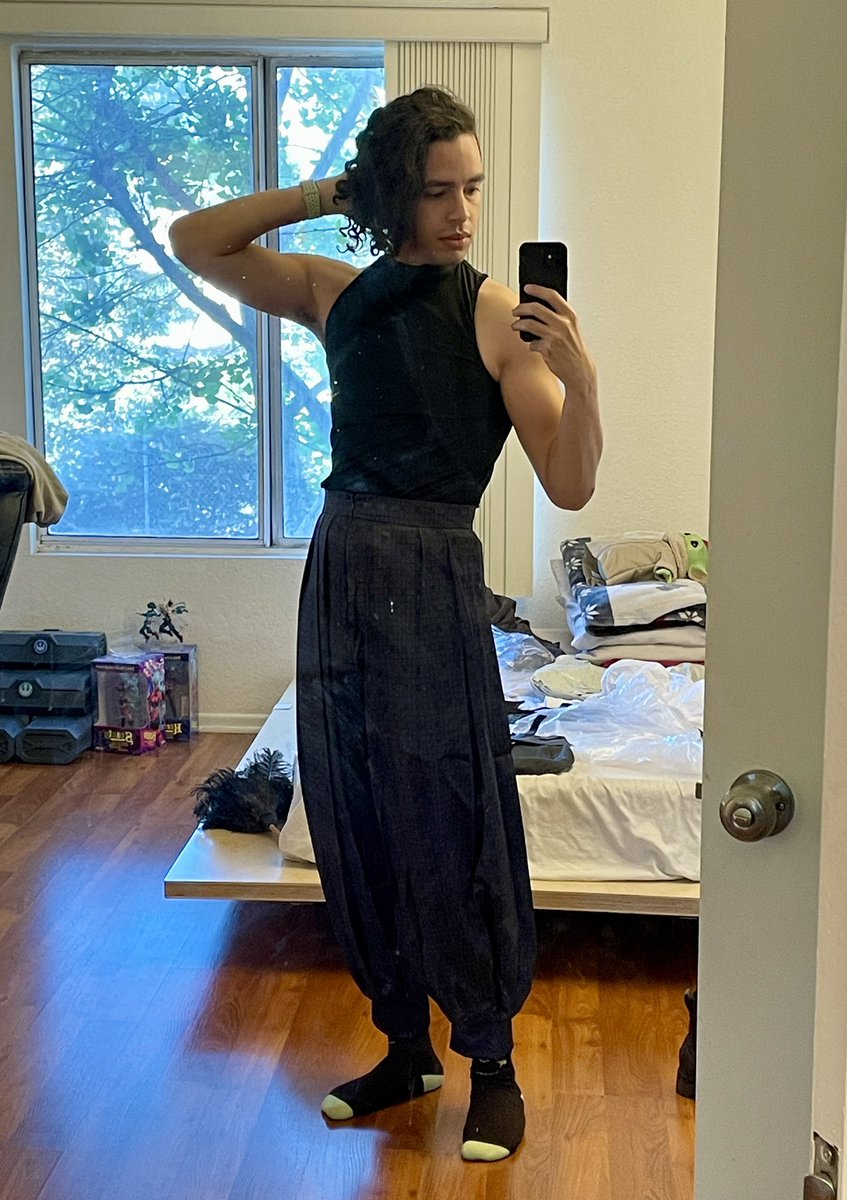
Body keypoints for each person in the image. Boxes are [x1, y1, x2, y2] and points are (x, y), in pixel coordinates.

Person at [169, 85, 602, 1163]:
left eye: (472, 189)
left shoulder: (496, 314)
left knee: (451, 817)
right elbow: (196, 239)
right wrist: (338, 190)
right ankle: (406, 1049)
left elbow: (570, 482)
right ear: (392, 193)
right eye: (435, 190)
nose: (461, 212)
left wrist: (582, 379)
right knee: (353, 810)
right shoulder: (337, 294)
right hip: (341, 569)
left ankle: (490, 1065)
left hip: (433, 570)